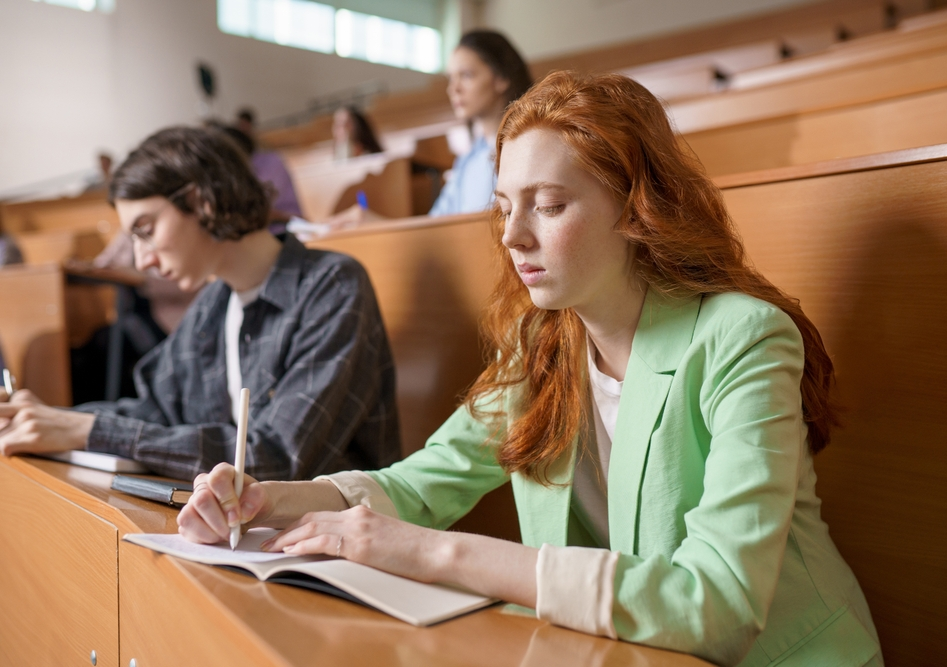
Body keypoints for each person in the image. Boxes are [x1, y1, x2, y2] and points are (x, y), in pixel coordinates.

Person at [177, 72, 882, 666]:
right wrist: (268, 501)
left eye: (548, 205)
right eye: (504, 207)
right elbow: (419, 486)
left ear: (637, 207)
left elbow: (717, 604)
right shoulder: (541, 343)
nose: (513, 236)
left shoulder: (743, 337)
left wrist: (435, 555)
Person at [0, 126, 401, 482]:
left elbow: (275, 459)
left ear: (202, 201)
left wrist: (87, 430)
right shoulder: (215, 302)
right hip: (234, 528)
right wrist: (46, 419)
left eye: (146, 230)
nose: (142, 260)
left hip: (329, 535)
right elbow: (154, 411)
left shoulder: (332, 285)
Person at [319, 30, 531, 232]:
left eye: (466, 75)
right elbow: (435, 226)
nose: (453, 89)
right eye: (451, 78)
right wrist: (374, 225)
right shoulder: (469, 159)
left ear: (501, 78)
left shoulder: (525, 150)